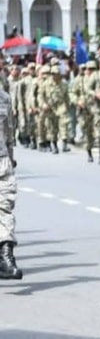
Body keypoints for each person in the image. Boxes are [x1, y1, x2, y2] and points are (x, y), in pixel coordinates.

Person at [0, 81, 21, 280]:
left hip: (1, 161)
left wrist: (11, 158)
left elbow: (9, 134)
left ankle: (6, 258)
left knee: (4, 208)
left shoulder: (4, 97)